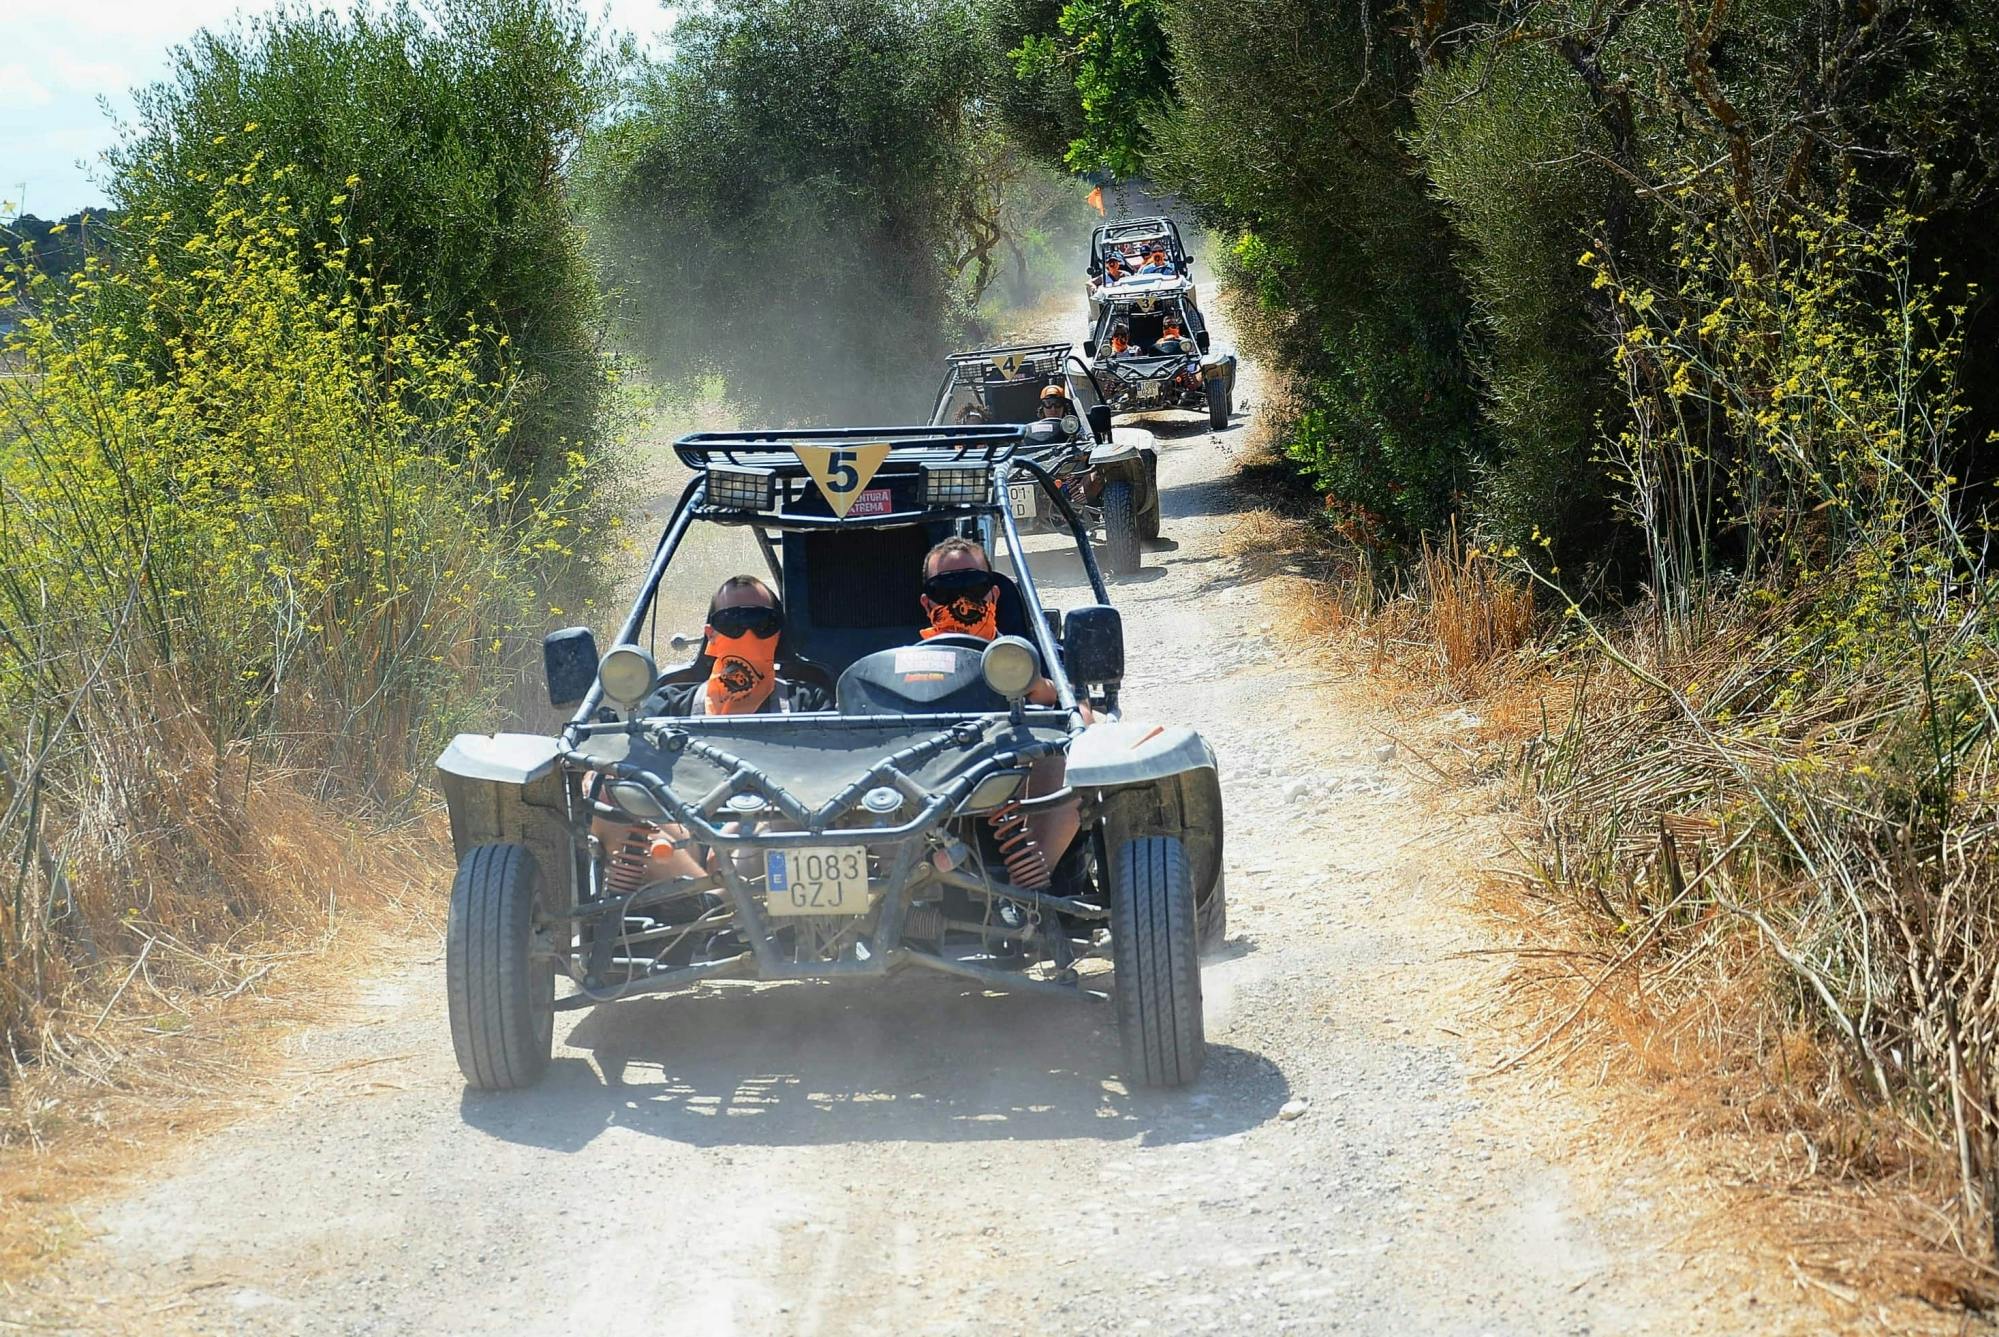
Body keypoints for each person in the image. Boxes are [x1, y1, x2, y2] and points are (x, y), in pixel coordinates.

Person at [918, 538, 1083, 883]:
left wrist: (1031, 683)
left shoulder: (1028, 652)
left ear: (993, 595)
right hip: (926, 782)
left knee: (1067, 758)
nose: (960, 600)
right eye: (945, 590)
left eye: (973, 586)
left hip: (1014, 776)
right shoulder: (905, 662)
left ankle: (1031, 891)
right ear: (926, 602)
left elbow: (1077, 706)